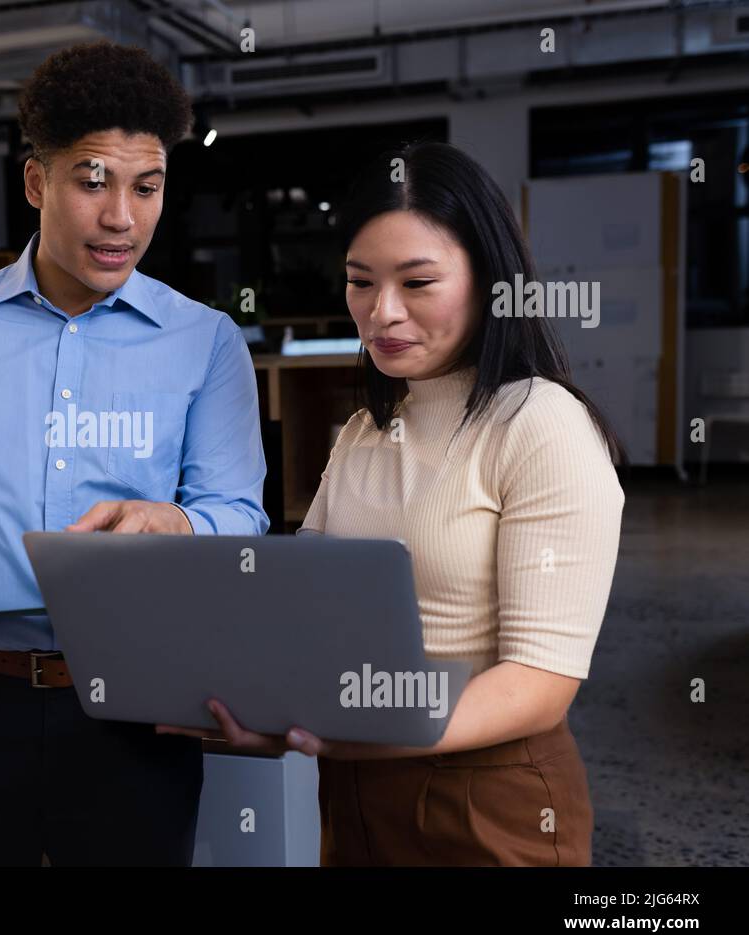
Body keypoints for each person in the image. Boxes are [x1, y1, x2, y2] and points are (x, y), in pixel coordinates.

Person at [0, 41, 269, 865]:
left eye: (148, 187)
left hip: (133, 703)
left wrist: (173, 521)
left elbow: (239, 517)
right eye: (93, 181)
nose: (123, 218)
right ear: (38, 182)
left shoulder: (206, 343)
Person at [159, 142, 626, 866]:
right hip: (353, 789)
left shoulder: (539, 424)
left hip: (488, 795)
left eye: (418, 282)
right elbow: (299, 606)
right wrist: (251, 705)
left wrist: (358, 728)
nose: (381, 312)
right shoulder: (364, 431)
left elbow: (540, 684)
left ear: (490, 281)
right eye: (359, 281)